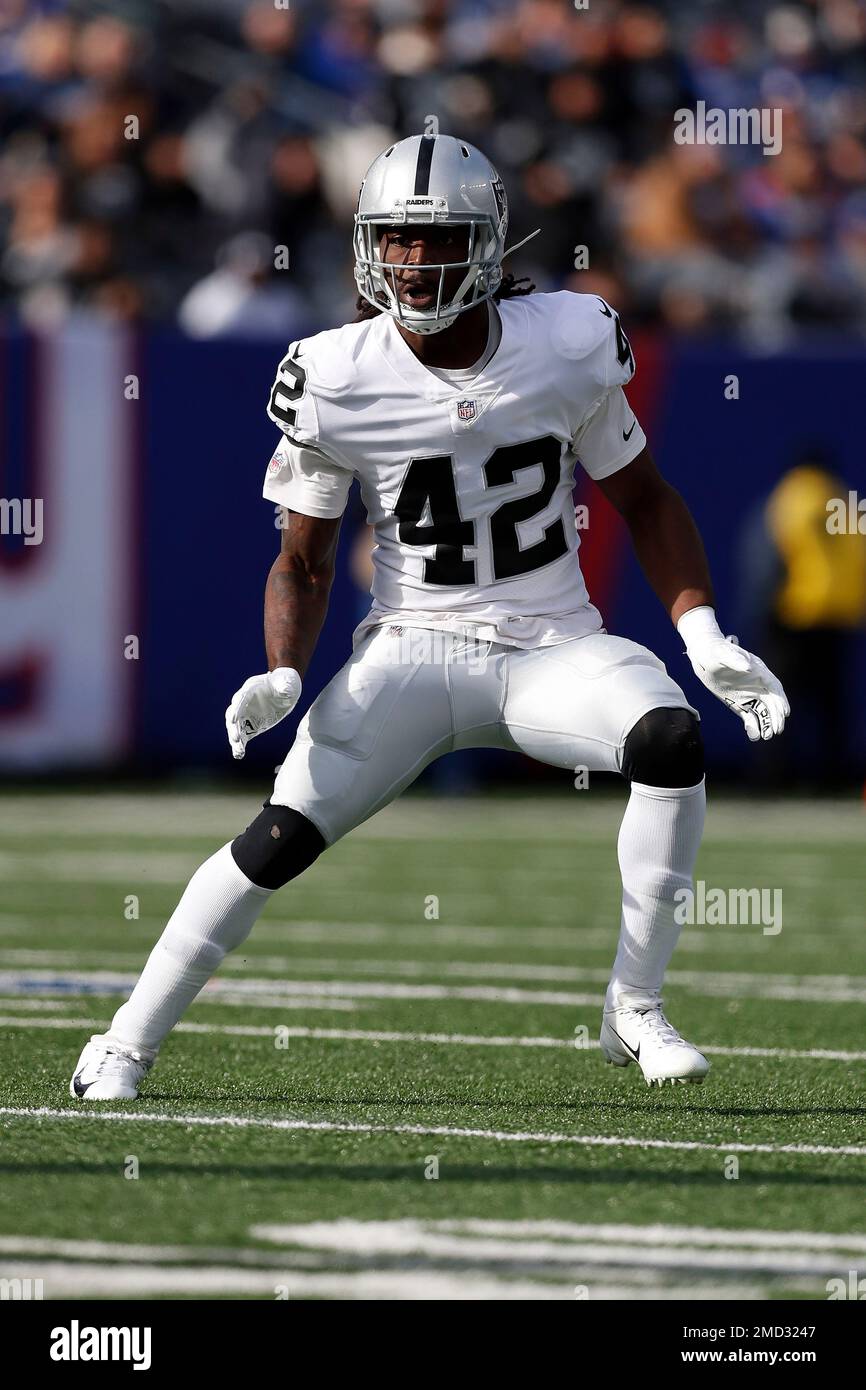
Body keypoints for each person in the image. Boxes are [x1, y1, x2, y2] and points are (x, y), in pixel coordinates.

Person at [71, 134, 789, 1101]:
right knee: (276, 837)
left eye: (436, 238)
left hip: (553, 644)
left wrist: (701, 631)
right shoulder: (333, 372)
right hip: (410, 651)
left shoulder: (568, 340)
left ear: (489, 242)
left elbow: (649, 500)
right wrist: (283, 666)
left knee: (669, 739)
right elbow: (303, 557)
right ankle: (124, 1041)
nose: (410, 263)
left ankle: (636, 1002)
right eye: (393, 241)